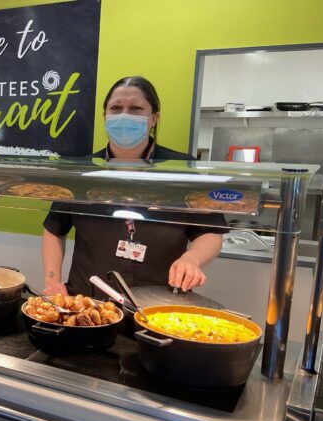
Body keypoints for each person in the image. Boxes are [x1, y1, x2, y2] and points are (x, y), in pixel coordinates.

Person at [42, 76, 224, 297]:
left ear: (154, 118)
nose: (124, 115)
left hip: (160, 299)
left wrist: (192, 259)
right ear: (105, 116)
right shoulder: (81, 172)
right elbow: (54, 229)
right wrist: (52, 280)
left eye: (136, 108)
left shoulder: (183, 170)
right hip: (89, 299)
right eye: (116, 108)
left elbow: (210, 231)